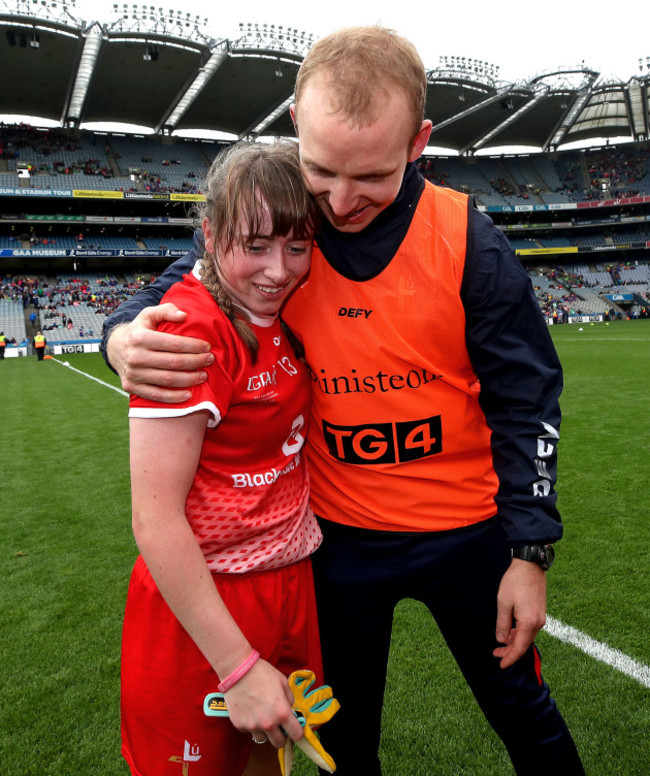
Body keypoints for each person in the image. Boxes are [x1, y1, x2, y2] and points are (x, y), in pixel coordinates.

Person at [102, 27, 585, 776]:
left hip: (468, 534)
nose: (339, 199)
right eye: (322, 169)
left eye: (373, 176)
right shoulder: (282, 230)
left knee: (524, 711)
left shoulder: (468, 241)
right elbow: (177, 288)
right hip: (337, 545)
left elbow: (528, 401)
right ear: (296, 119)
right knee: (342, 740)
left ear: (419, 142)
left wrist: (530, 552)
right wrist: (119, 337)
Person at [121, 140, 324, 776]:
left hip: (290, 585)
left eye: (296, 246)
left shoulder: (285, 312)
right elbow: (155, 520)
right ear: (210, 235)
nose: (278, 269)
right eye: (255, 245)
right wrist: (235, 664)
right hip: (206, 605)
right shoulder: (191, 329)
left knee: (275, 760)